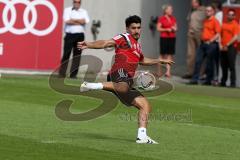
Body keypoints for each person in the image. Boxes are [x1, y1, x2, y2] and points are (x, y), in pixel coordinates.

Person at [77, 15, 174, 144]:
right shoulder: (124, 38)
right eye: (133, 28)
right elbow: (106, 43)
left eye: (138, 28)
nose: (136, 30)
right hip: (118, 73)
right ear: (127, 28)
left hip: (127, 80)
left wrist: (160, 60)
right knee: (123, 87)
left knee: (145, 106)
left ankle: (142, 137)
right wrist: (89, 44)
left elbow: (143, 60)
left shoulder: (137, 46)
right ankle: (90, 86)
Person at [189, 5, 221, 85]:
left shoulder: (215, 21)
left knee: (209, 63)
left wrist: (210, 41)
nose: (207, 12)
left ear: (213, 12)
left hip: (211, 44)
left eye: (209, 11)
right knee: (198, 61)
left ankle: (208, 80)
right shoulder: (205, 21)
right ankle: (194, 79)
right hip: (203, 43)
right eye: (206, 11)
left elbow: (218, 34)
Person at [59, 0, 90, 78]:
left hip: (80, 35)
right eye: (75, 2)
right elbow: (67, 21)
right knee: (66, 54)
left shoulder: (83, 11)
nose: (77, 3)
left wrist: (73, 20)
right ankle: (62, 73)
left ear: (80, 3)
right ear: (73, 2)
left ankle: (73, 74)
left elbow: (85, 21)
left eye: (79, 2)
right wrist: (79, 21)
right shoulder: (67, 10)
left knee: (77, 55)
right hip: (70, 35)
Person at [183, 0, 206, 79]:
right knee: (190, 54)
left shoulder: (204, 11)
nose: (192, 4)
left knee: (201, 54)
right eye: (192, 3)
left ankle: (201, 73)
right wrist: (189, 29)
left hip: (200, 34)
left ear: (198, 3)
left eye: (194, 2)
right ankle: (190, 72)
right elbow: (189, 21)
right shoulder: (191, 11)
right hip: (191, 34)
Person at [219, 9, 239, 88]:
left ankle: (232, 83)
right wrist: (220, 44)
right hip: (223, 47)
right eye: (229, 14)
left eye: (232, 15)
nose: (230, 16)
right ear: (227, 15)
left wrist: (227, 44)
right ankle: (223, 82)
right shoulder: (224, 24)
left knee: (231, 65)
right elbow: (220, 35)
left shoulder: (235, 25)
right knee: (223, 65)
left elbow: (235, 37)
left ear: (234, 16)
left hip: (231, 47)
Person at [157, 4, 177, 78]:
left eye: (171, 9)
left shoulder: (173, 18)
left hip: (172, 37)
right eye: (170, 9)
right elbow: (158, 28)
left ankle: (168, 72)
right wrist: (166, 29)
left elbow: (176, 27)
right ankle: (159, 71)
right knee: (162, 54)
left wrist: (174, 29)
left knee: (170, 55)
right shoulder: (161, 18)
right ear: (166, 10)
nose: (171, 11)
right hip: (164, 37)